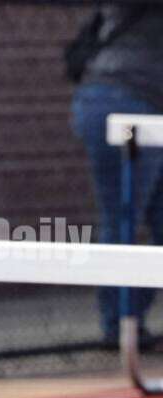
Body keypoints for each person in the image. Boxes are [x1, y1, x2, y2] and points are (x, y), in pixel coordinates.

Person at [71, 4, 163, 347]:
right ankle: (120, 325)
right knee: (123, 218)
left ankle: (129, 319)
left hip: (143, 102)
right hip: (123, 102)